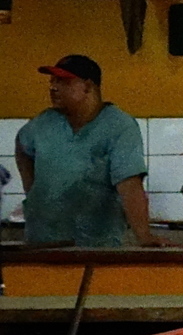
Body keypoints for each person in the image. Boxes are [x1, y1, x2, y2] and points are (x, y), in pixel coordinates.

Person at [15, 54, 163, 248]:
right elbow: (22, 147)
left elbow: (129, 184)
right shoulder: (43, 123)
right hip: (42, 243)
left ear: (88, 86)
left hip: (96, 247)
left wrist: (144, 236)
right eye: (52, 81)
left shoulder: (118, 126)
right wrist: (33, 192)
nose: (53, 87)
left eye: (63, 82)